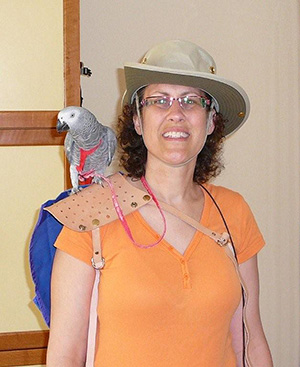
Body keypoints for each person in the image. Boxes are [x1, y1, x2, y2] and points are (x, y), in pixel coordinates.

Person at [46, 40, 273, 367]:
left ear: (210, 122)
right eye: (159, 101)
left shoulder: (233, 210)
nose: (176, 113)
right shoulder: (90, 214)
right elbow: (65, 356)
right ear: (138, 121)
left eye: (191, 101)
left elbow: (254, 340)